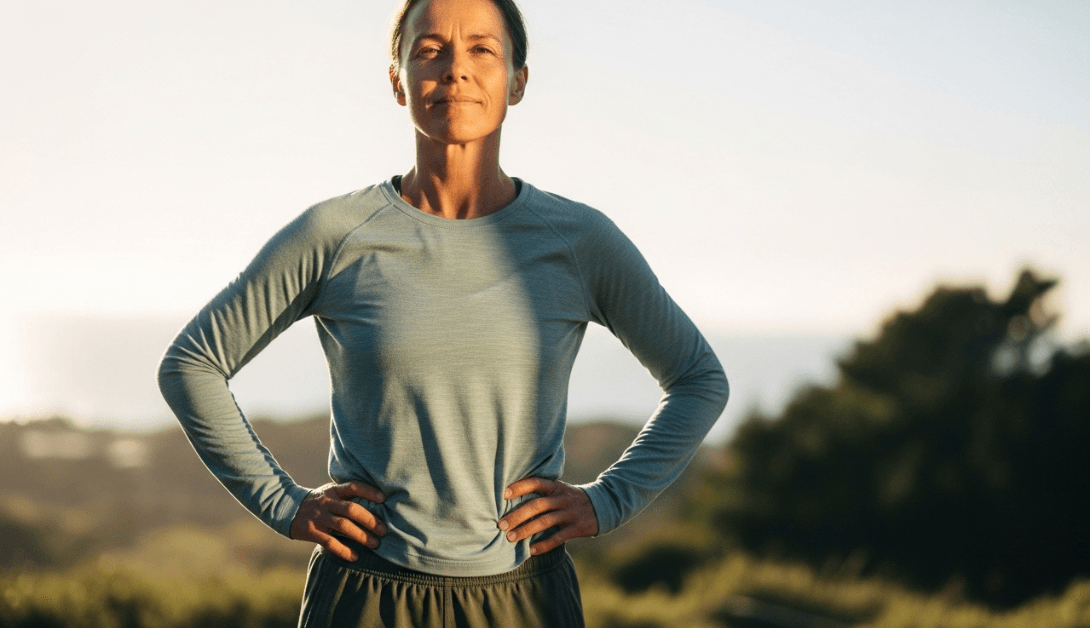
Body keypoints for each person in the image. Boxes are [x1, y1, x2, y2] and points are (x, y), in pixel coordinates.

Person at [157, 0, 728, 625]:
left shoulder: (579, 241)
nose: (456, 69)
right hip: (365, 597)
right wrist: (285, 504)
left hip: (525, 598)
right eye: (430, 50)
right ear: (398, 79)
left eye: (482, 49)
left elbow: (698, 379)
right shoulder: (335, 233)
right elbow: (191, 364)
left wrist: (610, 500)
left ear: (517, 80)